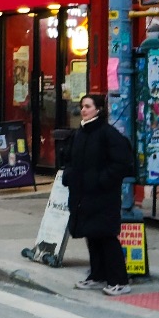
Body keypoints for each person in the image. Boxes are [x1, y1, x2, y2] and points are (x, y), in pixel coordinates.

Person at [62, 94, 133, 296]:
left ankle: (119, 280)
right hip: (83, 195)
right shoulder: (80, 133)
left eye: (87, 106)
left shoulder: (107, 133)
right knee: (92, 235)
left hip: (103, 196)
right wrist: (69, 176)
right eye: (82, 106)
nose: (83, 110)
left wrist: (102, 180)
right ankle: (97, 275)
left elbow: (122, 163)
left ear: (98, 109)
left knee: (106, 236)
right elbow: (69, 159)